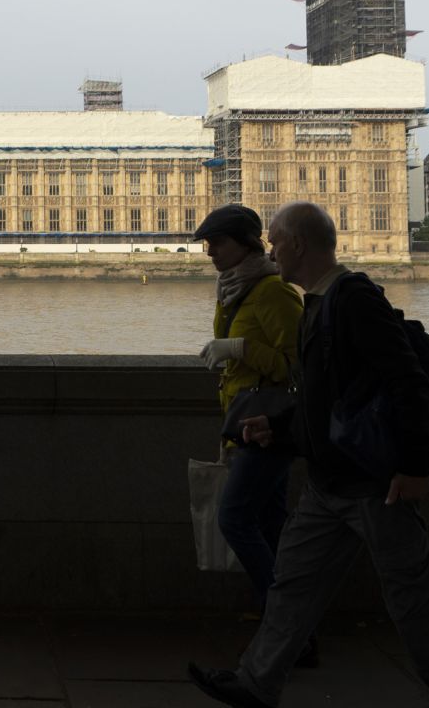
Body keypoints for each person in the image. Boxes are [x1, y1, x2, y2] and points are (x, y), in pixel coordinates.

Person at [188, 201, 429, 708]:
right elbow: (327, 401)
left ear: (298, 244)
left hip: (371, 486)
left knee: (412, 602)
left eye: (274, 241)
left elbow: (406, 382)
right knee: (293, 589)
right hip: (328, 484)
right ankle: (257, 683)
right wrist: (278, 426)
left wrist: (413, 466)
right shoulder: (315, 303)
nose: (269, 249)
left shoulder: (354, 299)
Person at [192, 204, 302, 623]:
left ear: (245, 243)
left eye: (217, 243)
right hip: (245, 420)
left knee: (234, 519)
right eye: (207, 243)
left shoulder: (272, 291)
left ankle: (284, 620)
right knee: (271, 525)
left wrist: (239, 349)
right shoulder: (234, 288)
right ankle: (287, 628)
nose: (209, 252)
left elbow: (298, 367)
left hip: (269, 427)